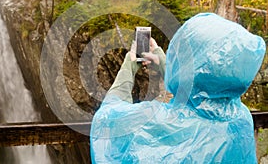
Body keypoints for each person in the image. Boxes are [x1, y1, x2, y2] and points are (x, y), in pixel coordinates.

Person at [90, 13, 266, 163]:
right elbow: (203, 84)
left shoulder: (159, 123)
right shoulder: (241, 119)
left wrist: (129, 64)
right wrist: (160, 57)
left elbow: (108, 118)